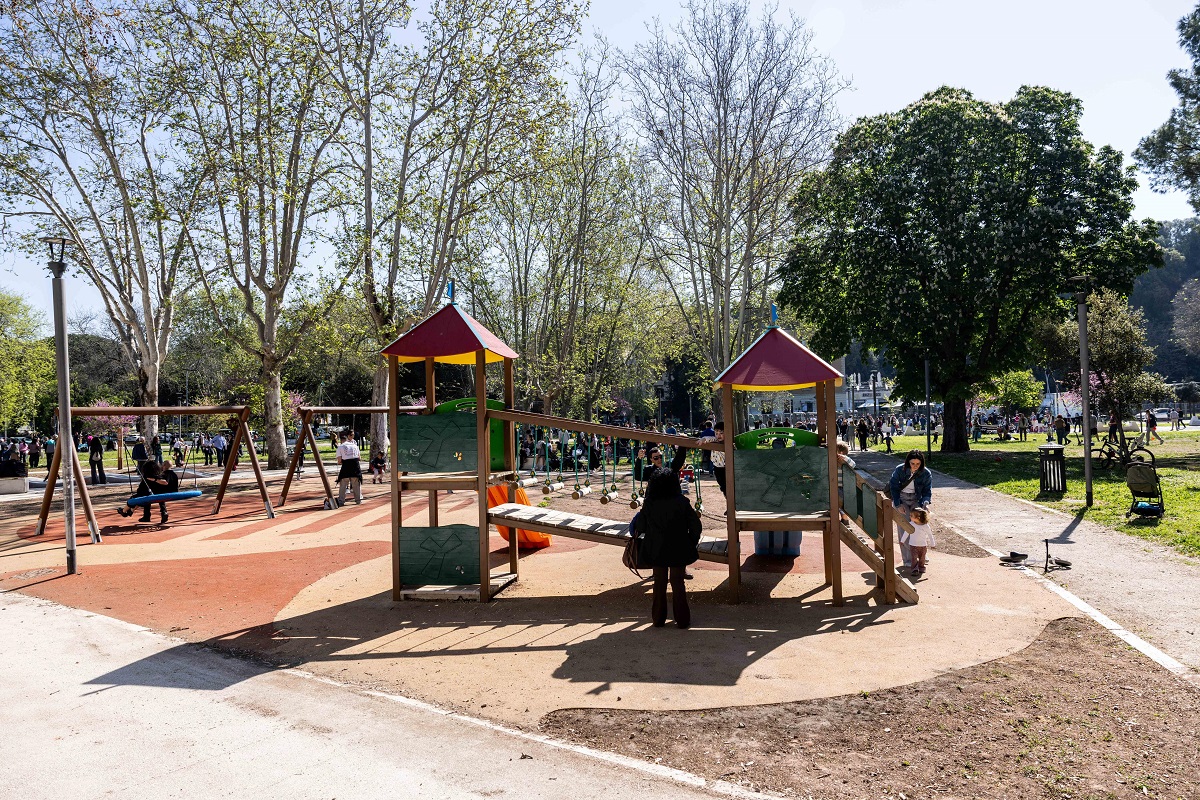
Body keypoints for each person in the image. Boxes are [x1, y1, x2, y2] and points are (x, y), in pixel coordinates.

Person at [635, 467, 702, 628]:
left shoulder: (650, 503)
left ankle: (658, 619)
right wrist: (690, 542)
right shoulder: (682, 502)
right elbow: (696, 526)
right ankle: (683, 620)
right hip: (679, 546)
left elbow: (640, 526)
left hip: (656, 547)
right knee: (678, 582)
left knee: (659, 582)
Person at [888, 450, 933, 570]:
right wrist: (898, 504)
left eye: (918, 464)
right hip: (901, 498)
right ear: (908, 462)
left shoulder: (926, 473)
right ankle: (908, 559)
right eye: (912, 463)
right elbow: (893, 487)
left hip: (916, 499)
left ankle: (921, 552)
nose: (915, 466)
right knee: (904, 528)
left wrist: (926, 503)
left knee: (919, 525)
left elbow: (927, 490)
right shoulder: (900, 469)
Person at [697, 422, 727, 514]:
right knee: (723, 487)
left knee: (728, 488)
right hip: (717, 468)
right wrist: (702, 439)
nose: (718, 436)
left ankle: (731, 505)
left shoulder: (728, 442)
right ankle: (729, 504)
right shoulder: (715, 440)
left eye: (721, 433)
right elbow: (708, 438)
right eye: (716, 433)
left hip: (726, 468)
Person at [904, 507, 935, 577]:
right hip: (913, 545)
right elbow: (906, 532)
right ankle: (914, 569)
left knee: (922, 558)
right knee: (914, 558)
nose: (910, 516)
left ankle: (921, 567)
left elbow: (930, 535)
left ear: (918, 518)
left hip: (923, 546)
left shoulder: (925, 526)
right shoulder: (911, 524)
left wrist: (932, 544)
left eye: (911, 516)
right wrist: (902, 541)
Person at [336, 430, 363, 505]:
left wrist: (344, 460)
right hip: (355, 466)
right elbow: (359, 458)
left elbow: (339, 460)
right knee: (356, 484)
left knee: (343, 484)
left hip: (346, 466)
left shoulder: (340, 447)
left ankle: (341, 501)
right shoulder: (355, 446)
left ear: (342, 440)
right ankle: (358, 500)